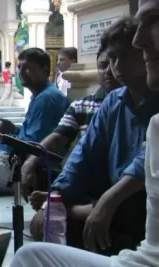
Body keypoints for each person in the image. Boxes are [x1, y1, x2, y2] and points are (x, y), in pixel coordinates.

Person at [29, 17, 154, 254]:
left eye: (124, 56)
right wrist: (55, 197)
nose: (116, 66)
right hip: (110, 202)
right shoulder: (113, 103)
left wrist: (106, 203)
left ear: (144, 54)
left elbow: (145, 164)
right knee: (48, 221)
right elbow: (84, 154)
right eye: (112, 59)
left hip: (139, 207)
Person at [21, 45, 121, 199]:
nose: (108, 71)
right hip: (85, 185)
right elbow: (58, 137)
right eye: (102, 65)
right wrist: (32, 161)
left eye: (114, 63)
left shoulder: (133, 107)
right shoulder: (81, 106)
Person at [0, 48, 69, 194]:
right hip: (19, 161)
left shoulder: (47, 99)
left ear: (44, 69)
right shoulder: (42, 95)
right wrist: (13, 130)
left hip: (31, 170)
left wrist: (6, 139)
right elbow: (33, 133)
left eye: (27, 68)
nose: (21, 72)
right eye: (19, 67)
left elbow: (33, 146)